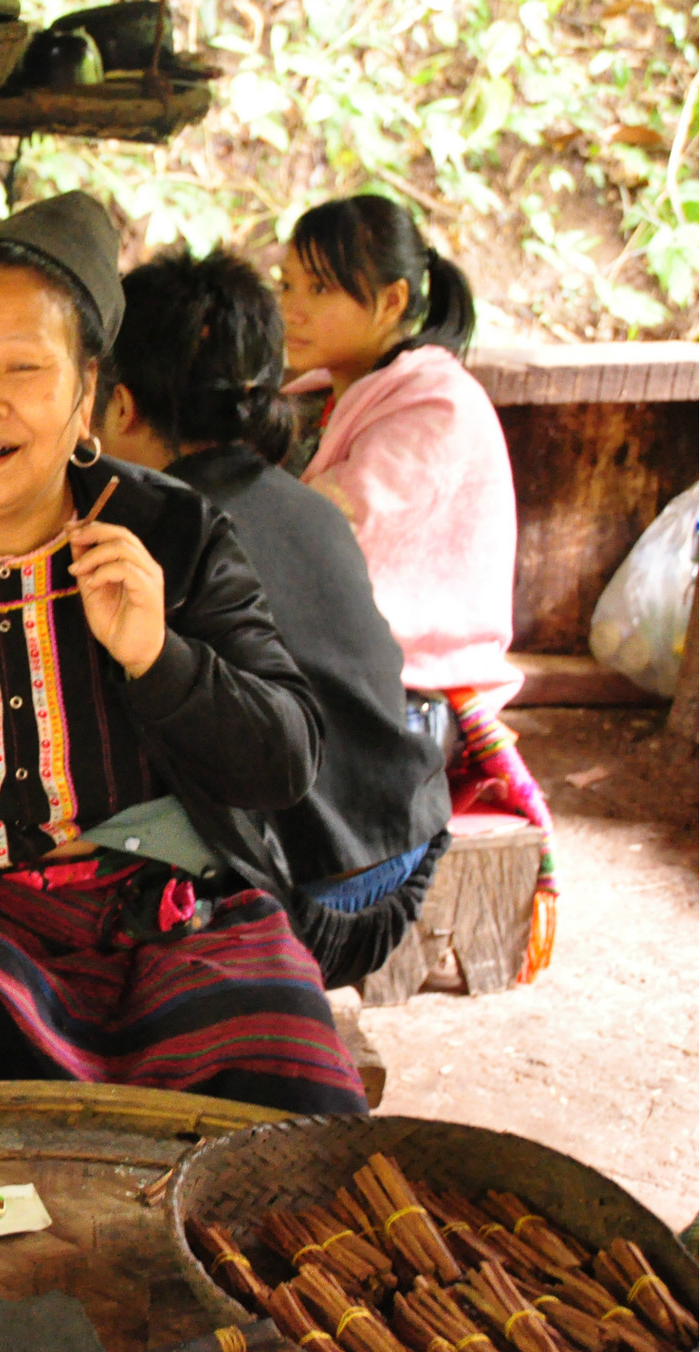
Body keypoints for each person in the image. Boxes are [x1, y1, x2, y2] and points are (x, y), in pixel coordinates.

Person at [0, 192, 368, 1116]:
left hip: (172, 913)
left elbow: (284, 758)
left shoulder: (175, 534)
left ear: (86, 397)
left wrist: (159, 655)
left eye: (25, 367)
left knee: (272, 1061)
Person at [99, 247, 452, 989]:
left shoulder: (150, 542)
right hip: (408, 852)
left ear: (119, 405)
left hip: (304, 902)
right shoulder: (309, 502)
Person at [276, 195, 556, 979]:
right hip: (362, 685)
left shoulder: (433, 405)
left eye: (319, 289)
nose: (291, 309)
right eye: (287, 285)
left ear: (392, 301)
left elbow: (332, 525)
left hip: (413, 704)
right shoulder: (345, 392)